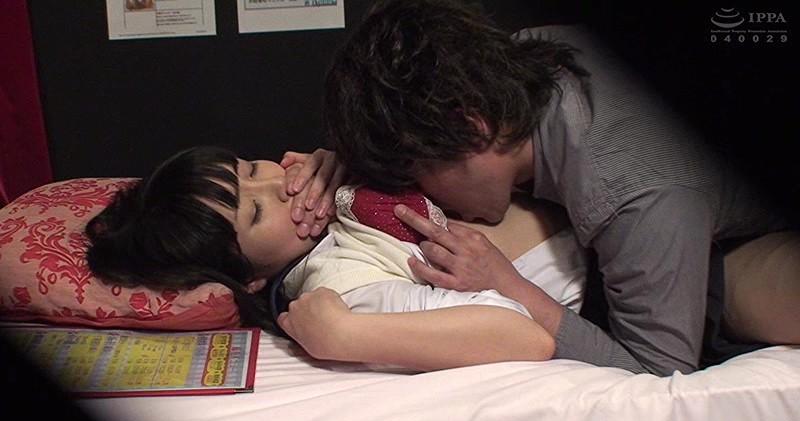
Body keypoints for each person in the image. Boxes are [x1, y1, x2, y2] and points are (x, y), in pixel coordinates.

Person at [288, 0, 800, 376]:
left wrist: (508, 284)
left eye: (414, 172)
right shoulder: (524, 57)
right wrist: (340, 161)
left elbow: (656, 377)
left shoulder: (633, 197)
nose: (421, 193)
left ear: (471, 128)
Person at [86, 145, 588, 371]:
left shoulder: (332, 187)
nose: (279, 184)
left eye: (252, 168)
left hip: (572, 196)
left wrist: (348, 156)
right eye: (256, 212)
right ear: (249, 277)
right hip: (600, 274)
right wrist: (347, 335)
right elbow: (524, 338)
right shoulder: (340, 283)